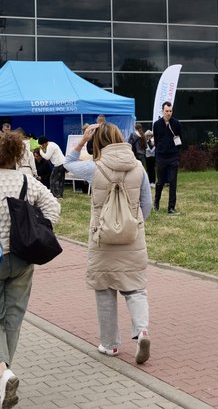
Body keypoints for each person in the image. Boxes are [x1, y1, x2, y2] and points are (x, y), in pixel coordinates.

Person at [0, 128, 60, 405]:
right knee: (13, 319)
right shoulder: (26, 180)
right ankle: (2, 379)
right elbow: (53, 208)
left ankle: (2, 372)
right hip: (23, 258)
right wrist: (37, 228)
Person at [64, 123, 153, 364]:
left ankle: (110, 344)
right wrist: (134, 224)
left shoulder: (94, 168)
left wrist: (83, 141)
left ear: (98, 142)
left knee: (104, 290)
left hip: (102, 238)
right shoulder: (138, 168)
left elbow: (67, 163)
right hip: (132, 238)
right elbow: (147, 204)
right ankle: (142, 331)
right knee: (136, 288)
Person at [152, 101, 182, 214]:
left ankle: (171, 208)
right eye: (166, 111)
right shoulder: (157, 124)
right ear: (162, 111)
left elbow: (180, 139)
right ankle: (156, 203)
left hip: (173, 157)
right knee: (160, 182)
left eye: (170, 111)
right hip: (161, 157)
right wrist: (160, 150)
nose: (169, 113)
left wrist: (177, 153)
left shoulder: (176, 123)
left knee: (173, 182)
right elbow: (156, 139)